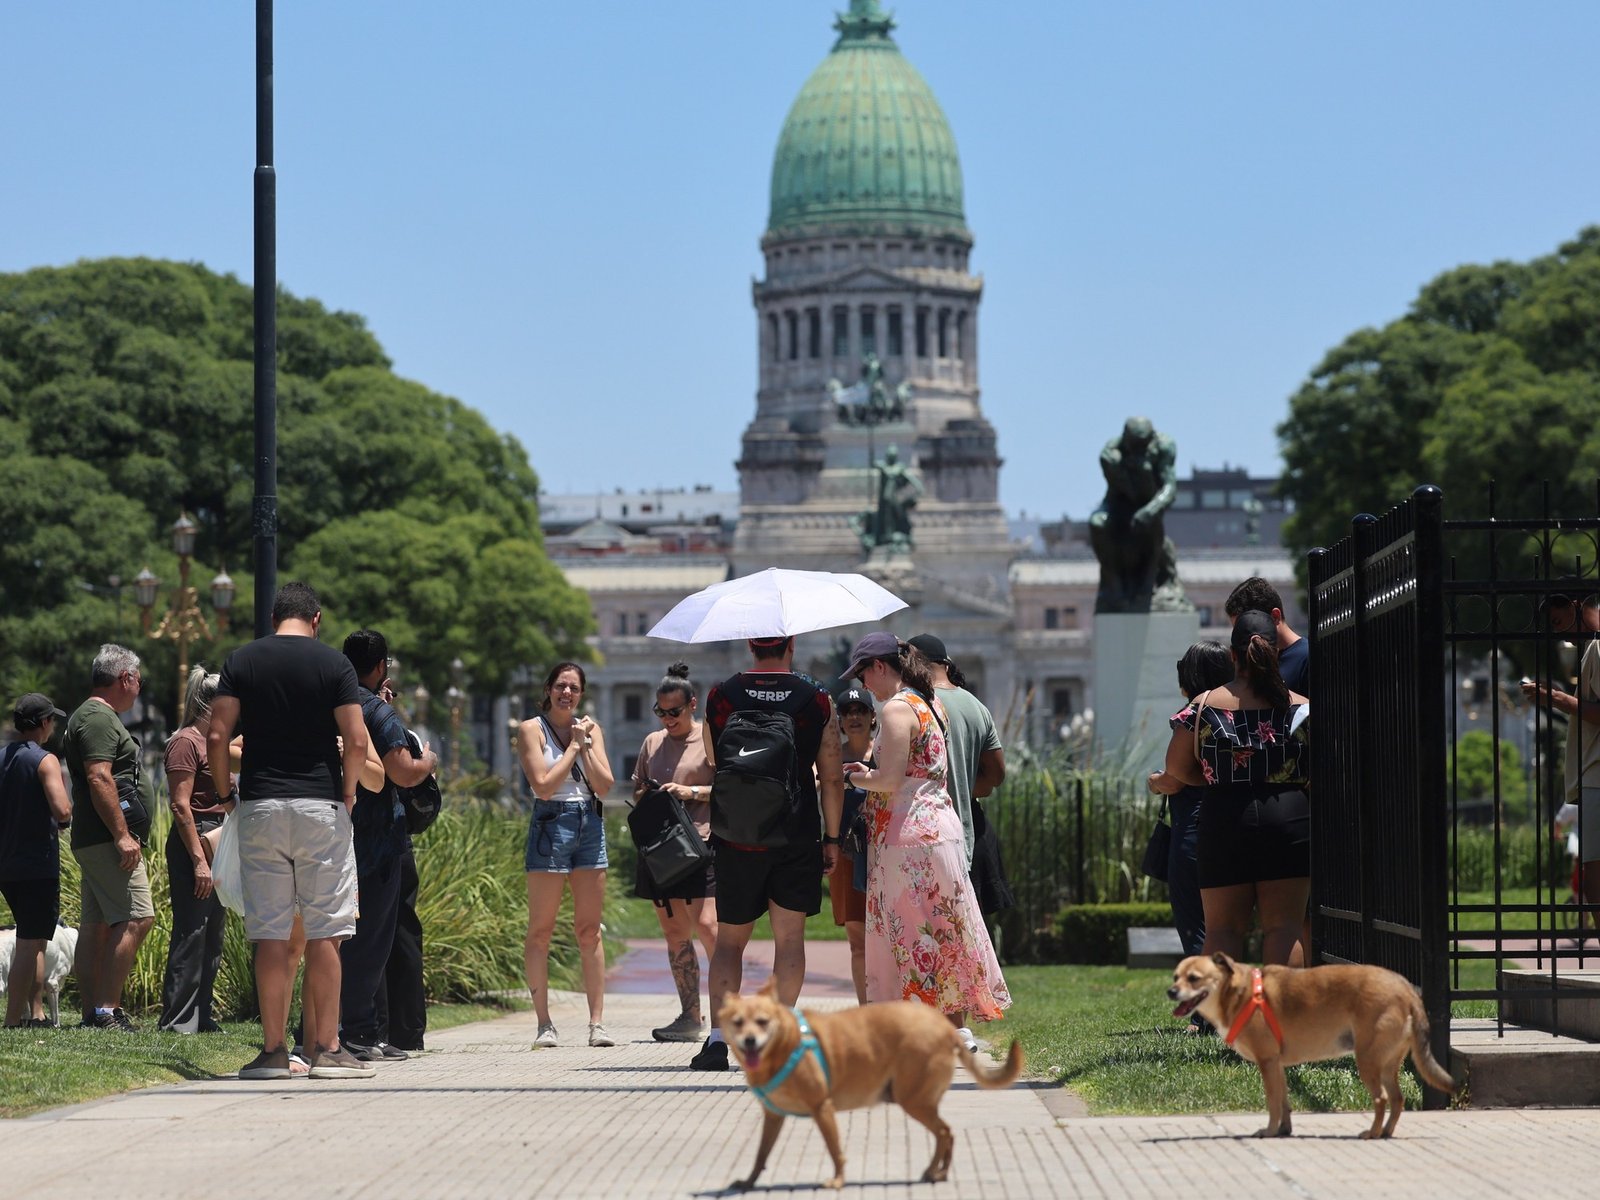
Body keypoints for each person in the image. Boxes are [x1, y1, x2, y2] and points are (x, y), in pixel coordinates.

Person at [208, 581, 372, 1080]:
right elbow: (358, 739)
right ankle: (326, 1049)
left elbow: (216, 734)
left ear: (274, 617)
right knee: (325, 930)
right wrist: (347, 795)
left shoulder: (243, 660)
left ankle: (274, 1053)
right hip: (320, 804)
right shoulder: (334, 665)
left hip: (260, 805)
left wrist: (223, 794)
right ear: (316, 619)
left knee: (271, 934)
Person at [840, 632, 1011, 1049]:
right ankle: (955, 1028)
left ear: (879, 666)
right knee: (945, 926)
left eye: (863, 673)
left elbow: (890, 780)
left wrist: (851, 775)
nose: (863, 685)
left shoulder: (898, 709)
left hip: (908, 834)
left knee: (910, 931)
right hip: (939, 827)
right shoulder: (929, 703)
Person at [690, 636, 842, 1071]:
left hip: (737, 835)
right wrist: (831, 838)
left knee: (730, 942)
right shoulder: (815, 697)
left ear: (750, 643)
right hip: (794, 834)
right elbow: (830, 778)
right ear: (791, 644)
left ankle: (718, 1041)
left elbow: (717, 762)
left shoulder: (722, 695)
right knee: (789, 940)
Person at [1148, 611, 1311, 968]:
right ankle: (1282, 1017)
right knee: (1285, 928)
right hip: (1289, 814)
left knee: (1222, 929)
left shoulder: (1204, 705)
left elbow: (1176, 769)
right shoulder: (1303, 707)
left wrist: (1211, 777)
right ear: (1274, 653)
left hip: (1224, 814)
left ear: (1233, 656)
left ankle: (1223, 1016)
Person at [338, 630, 439, 1061]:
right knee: (372, 939)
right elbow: (402, 772)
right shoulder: (376, 711)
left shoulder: (335, 704)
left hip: (335, 832)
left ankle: (324, 1028)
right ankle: (360, 1031)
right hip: (377, 841)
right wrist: (428, 761)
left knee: (331, 936)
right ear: (381, 667)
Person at [518, 662, 615, 1049]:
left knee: (589, 930)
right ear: (548, 688)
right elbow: (542, 785)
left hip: (589, 823)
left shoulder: (591, 730)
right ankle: (544, 1024)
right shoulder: (530, 729)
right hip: (550, 824)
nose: (567, 694)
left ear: (582, 693)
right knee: (541, 929)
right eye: (561, 686)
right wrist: (573, 747)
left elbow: (605, 786)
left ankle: (597, 1024)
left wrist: (586, 746)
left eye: (574, 688)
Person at [63, 644, 156, 1031]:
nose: (139, 687)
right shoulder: (99, 718)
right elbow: (99, 776)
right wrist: (122, 835)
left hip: (94, 838)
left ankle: (93, 1012)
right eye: (138, 679)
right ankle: (106, 1010)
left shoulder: (90, 716)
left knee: (97, 925)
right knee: (138, 917)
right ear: (125, 678)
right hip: (107, 839)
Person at [630, 661, 718, 1042]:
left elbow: (726, 790)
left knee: (709, 927)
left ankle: (729, 1013)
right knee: (674, 932)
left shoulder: (709, 739)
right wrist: (650, 793)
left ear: (692, 704)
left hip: (701, 843)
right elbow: (634, 791)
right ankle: (689, 1016)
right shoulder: (652, 743)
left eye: (674, 712)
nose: (667, 719)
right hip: (661, 850)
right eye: (660, 712)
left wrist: (689, 792)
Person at [158, 667, 236, 1033]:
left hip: (218, 838)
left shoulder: (216, 742)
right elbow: (180, 805)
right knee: (191, 930)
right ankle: (177, 1018)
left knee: (213, 931)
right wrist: (198, 861)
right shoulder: (185, 742)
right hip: (197, 840)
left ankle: (201, 1014)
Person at [1521, 585, 1600, 941]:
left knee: (1594, 872)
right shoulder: (1592, 649)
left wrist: (1555, 699)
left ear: (1575, 605)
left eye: (1558, 620)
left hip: (1598, 774)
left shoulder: (1597, 648)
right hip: (1593, 774)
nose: (1559, 630)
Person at [1, 693, 71, 1028]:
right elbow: (62, 809)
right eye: (51, 721)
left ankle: (38, 1013)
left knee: (36, 937)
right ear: (43, 723)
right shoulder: (45, 760)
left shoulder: (2, 757)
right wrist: (64, 818)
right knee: (29, 944)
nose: (53, 727)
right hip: (36, 865)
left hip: (7, 863)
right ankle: (14, 1020)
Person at [1167, 642, 1235, 960]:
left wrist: (1156, 782)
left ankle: (1206, 1005)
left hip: (1196, 826)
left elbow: (1175, 774)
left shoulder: (1194, 713)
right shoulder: (1245, 707)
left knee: (1199, 925)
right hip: (1238, 823)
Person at [1088, 416, 1188, 613]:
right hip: (1117, 505)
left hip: (1149, 505)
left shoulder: (1164, 447)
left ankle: (1148, 584)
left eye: (1143, 445)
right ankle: (1113, 585)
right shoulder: (1110, 454)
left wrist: (1150, 509)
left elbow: (1170, 487)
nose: (1139, 449)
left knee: (1151, 522)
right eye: (1135, 445)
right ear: (1125, 438)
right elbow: (1125, 489)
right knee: (1097, 523)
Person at [828, 681, 875, 1004]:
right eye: (847, 711)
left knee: (887, 937)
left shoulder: (886, 752)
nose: (854, 717)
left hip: (883, 852)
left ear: (873, 717)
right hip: (845, 853)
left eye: (861, 711)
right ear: (840, 720)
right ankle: (866, 1009)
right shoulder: (829, 758)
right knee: (857, 937)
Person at [1226, 577, 1308, 695]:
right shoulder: (1247, 660)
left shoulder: (1307, 659)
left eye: (1247, 627)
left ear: (1275, 617)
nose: (1242, 636)